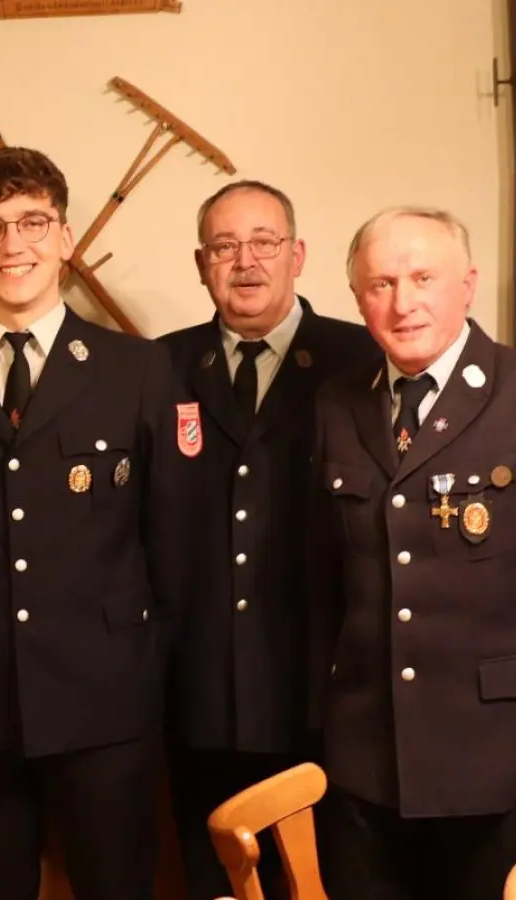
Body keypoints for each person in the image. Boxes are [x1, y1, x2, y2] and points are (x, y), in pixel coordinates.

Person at [0, 146, 198, 900]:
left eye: (32, 223)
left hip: (104, 697)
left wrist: (149, 674)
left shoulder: (137, 371)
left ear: (63, 237)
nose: (12, 245)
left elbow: (174, 545)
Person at [309, 207, 516, 900]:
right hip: (363, 772)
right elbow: (324, 585)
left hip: (498, 773)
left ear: (468, 283)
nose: (403, 303)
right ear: (357, 298)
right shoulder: (339, 404)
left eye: (423, 277)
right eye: (380, 284)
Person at [156, 181, 377, 900]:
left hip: (319, 692)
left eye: (262, 243)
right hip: (195, 696)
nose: (243, 261)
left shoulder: (361, 361)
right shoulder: (155, 368)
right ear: (199, 264)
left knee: (315, 883)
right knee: (210, 878)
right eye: (223, 246)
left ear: (297, 255)